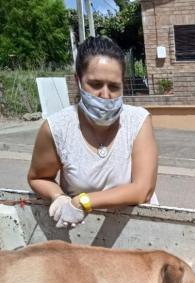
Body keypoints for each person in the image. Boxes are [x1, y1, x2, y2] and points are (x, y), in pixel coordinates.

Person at [28, 36, 158, 228]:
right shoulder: (57, 128)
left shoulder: (137, 121)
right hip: (82, 232)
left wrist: (83, 202)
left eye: (114, 86)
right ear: (78, 80)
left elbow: (142, 190)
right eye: (95, 84)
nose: (105, 95)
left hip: (137, 229)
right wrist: (58, 197)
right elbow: (39, 177)